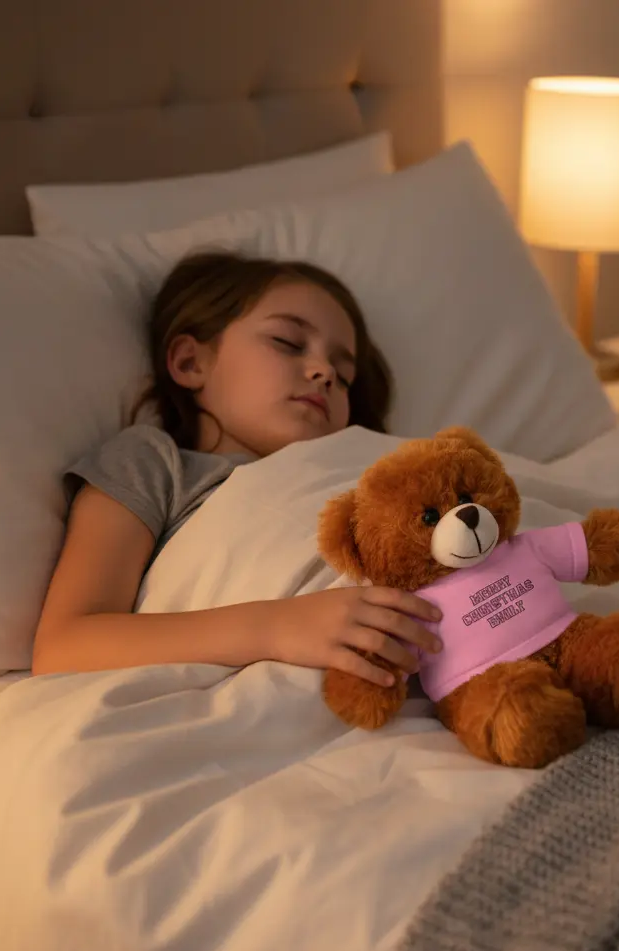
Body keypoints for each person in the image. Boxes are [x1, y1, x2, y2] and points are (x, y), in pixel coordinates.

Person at [32, 251, 442, 685]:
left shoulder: (371, 468)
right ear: (192, 363)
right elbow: (64, 645)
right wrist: (276, 626)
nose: (324, 372)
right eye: (287, 342)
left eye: (343, 377)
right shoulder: (155, 462)